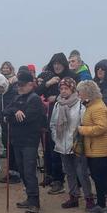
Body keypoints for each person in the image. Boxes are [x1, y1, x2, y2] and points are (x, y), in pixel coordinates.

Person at [76, 80, 107, 213]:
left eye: (80, 92)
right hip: (94, 148)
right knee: (97, 177)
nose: (78, 95)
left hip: (100, 149)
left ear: (87, 93)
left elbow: (102, 127)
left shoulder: (97, 108)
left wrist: (82, 130)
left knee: (102, 178)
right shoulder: (92, 105)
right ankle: (101, 204)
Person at [3, 70, 46, 213]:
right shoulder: (17, 97)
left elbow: (26, 119)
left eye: (21, 85)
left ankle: (35, 202)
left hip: (30, 141)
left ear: (30, 84)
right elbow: (5, 112)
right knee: (22, 171)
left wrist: (12, 117)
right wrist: (15, 111)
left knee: (29, 172)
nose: (19, 88)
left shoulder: (35, 99)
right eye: (18, 85)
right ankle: (29, 197)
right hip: (17, 141)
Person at [37, 53, 78, 195]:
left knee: (62, 151)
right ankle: (51, 176)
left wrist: (58, 97)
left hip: (69, 117)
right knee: (49, 149)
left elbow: (77, 94)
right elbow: (37, 92)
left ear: (64, 64)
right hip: (52, 115)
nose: (57, 66)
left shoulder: (72, 75)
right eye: (54, 63)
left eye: (59, 63)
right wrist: (48, 83)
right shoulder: (48, 75)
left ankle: (60, 181)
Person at [50, 77, 88, 208]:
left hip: (76, 144)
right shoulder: (57, 104)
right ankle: (73, 197)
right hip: (61, 144)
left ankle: (89, 199)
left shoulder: (80, 105)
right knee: (69, 172)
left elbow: (83, 123)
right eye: (61, 88)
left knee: (81, 173)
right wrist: (56, 138)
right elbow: (53, 123)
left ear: (72, 89)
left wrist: (78, 140)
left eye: (66, 88)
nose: (63, 91)